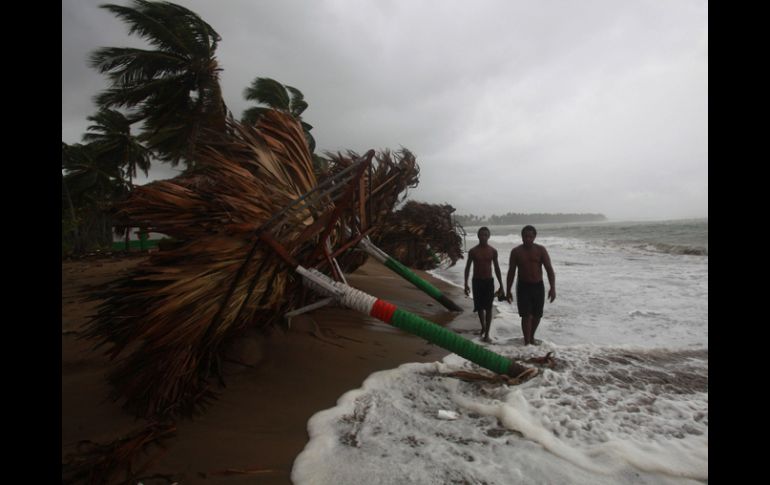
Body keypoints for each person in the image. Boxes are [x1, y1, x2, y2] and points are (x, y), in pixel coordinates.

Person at [506, 225, 556, 345]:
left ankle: (532, 336)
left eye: (530, 236)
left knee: (537, 315)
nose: (528, 239)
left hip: (538, 286)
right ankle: (527, 342)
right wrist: (508, 290)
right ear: (522, 237)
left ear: (534, 237)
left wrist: (552, 287)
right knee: (526, 316)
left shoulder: (540, 250)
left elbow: (549, 269)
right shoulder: (516, 252)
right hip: (523, 286)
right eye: (525, 236)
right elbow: (511, 272)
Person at [464, 227, 504, 342]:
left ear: (489, 236)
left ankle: (487, 334)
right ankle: (483, 327)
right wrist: (466, 283)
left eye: (486, 235)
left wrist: (501, 284)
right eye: (481, 235)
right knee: (479, 307)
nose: (483, 237)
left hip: (488, 281)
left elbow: (496, 268)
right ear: (478, 236)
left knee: (489, 307)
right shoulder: (473, 251)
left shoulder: (493, 251)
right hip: (476, 281)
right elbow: (467, 268)